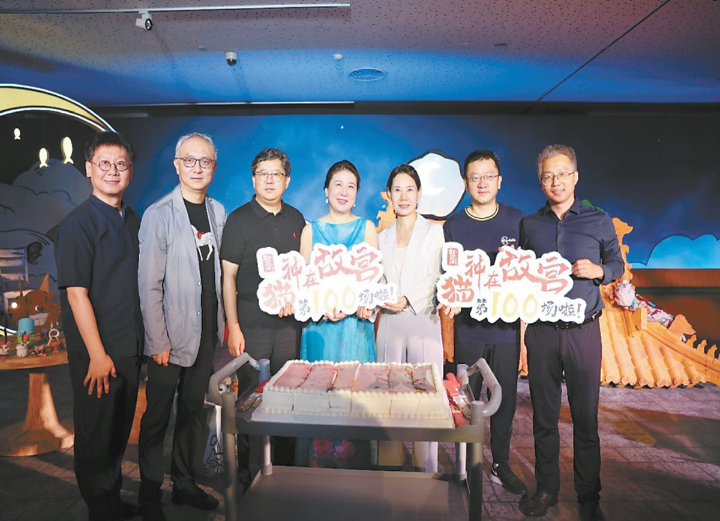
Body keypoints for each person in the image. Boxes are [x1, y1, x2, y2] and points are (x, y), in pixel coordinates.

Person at [519, 145, 624, 521]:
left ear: (575, 177)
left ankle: (588, 496)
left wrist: (600, 271)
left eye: (562, 174)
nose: (556, 181)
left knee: (585, 418)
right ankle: (546, 488)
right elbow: (520, 273)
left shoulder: (599, 220)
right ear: (541, 182)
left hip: (584, 332)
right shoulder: (530, 225)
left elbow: (617, 264)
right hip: (542, 331)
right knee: (544, 418)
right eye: (548, 176)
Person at [55, 131, 144, 521]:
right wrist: (96, 354)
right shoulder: (78, 224)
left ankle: (112, 502)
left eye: (121, 164)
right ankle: (101, 511)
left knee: (117, 433)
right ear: (89, 169)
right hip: (97, 353)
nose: (113, 171)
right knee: (95, 437)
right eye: (104, 164)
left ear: (130, 171)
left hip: (128, 348)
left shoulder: (133, 220)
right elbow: (77, 295)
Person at [137, 133, 226, 520]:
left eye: (204, 161)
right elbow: (148, 284)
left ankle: (184, 483)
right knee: (157, 416)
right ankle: (149, 491)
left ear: (213, 168)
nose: (197, 168)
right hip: (168, 338)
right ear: (177, 165)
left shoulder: (218, 211)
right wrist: (157, 339)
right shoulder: (159, 214)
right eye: (189, 160)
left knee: (192, 412)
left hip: (205, 334)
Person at [442, 150, 527, 495]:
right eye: (475, 177)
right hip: (468, 330)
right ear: (466, 183)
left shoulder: (517, 221)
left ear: (499, 181)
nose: (482, 183)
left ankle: (499, 464)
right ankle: (466, 466)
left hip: (506, 331)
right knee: (466, 401)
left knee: (504, 402)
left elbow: (529, 273)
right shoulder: (454, 226)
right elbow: (447, 276)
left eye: (488, 176)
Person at [220, 148, 305, 476]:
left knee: (286, 394)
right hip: (251, 322)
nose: (270, 180)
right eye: (263, 174)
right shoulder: (238, 220)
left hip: (288, 326)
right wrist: (233, 326)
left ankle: (284, 471)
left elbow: (304, 273)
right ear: (253, 179)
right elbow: (228, 278)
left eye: (276, 174)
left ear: (287, 180)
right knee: (249, 398)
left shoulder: (297, 219)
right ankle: (246, 472)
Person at [298, 160, 378, 468]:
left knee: (355, 400)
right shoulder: (311, 230)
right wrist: (320, 308)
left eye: (351, 186)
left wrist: (365, 302)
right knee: (320, 399)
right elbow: (303, 284)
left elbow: (375, 281)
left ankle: (358, 478)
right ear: (326, 190)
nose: (344, 191)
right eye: (338, 185)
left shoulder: (367, 228)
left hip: (354, 331)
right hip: (320, 330)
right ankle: (315, 478)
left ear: (356, 195)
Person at [375, 164, 444, 472]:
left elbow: (436, 275)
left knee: (424, 396)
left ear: (419, 194)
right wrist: (380, 297)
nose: (403, 196)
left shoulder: (433, 231)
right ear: (389, 195)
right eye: (397, 190)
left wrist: (406, 299)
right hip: (389, 322)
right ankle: (389, 463)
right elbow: (375, 276)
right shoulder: (381, 237)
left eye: (409, 190)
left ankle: (425, 465)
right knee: (387, 393)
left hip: (423, 320)